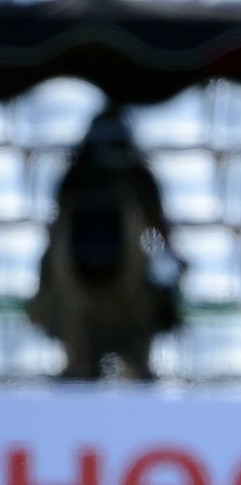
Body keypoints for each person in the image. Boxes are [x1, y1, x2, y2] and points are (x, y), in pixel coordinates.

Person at [26, 105, 186, 381]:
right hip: (110, 289)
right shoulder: (135, 175)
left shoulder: (77, 174)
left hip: (89, 287)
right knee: (133, 365)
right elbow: (160, 229)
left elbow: (54, 230)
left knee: (83, 366)